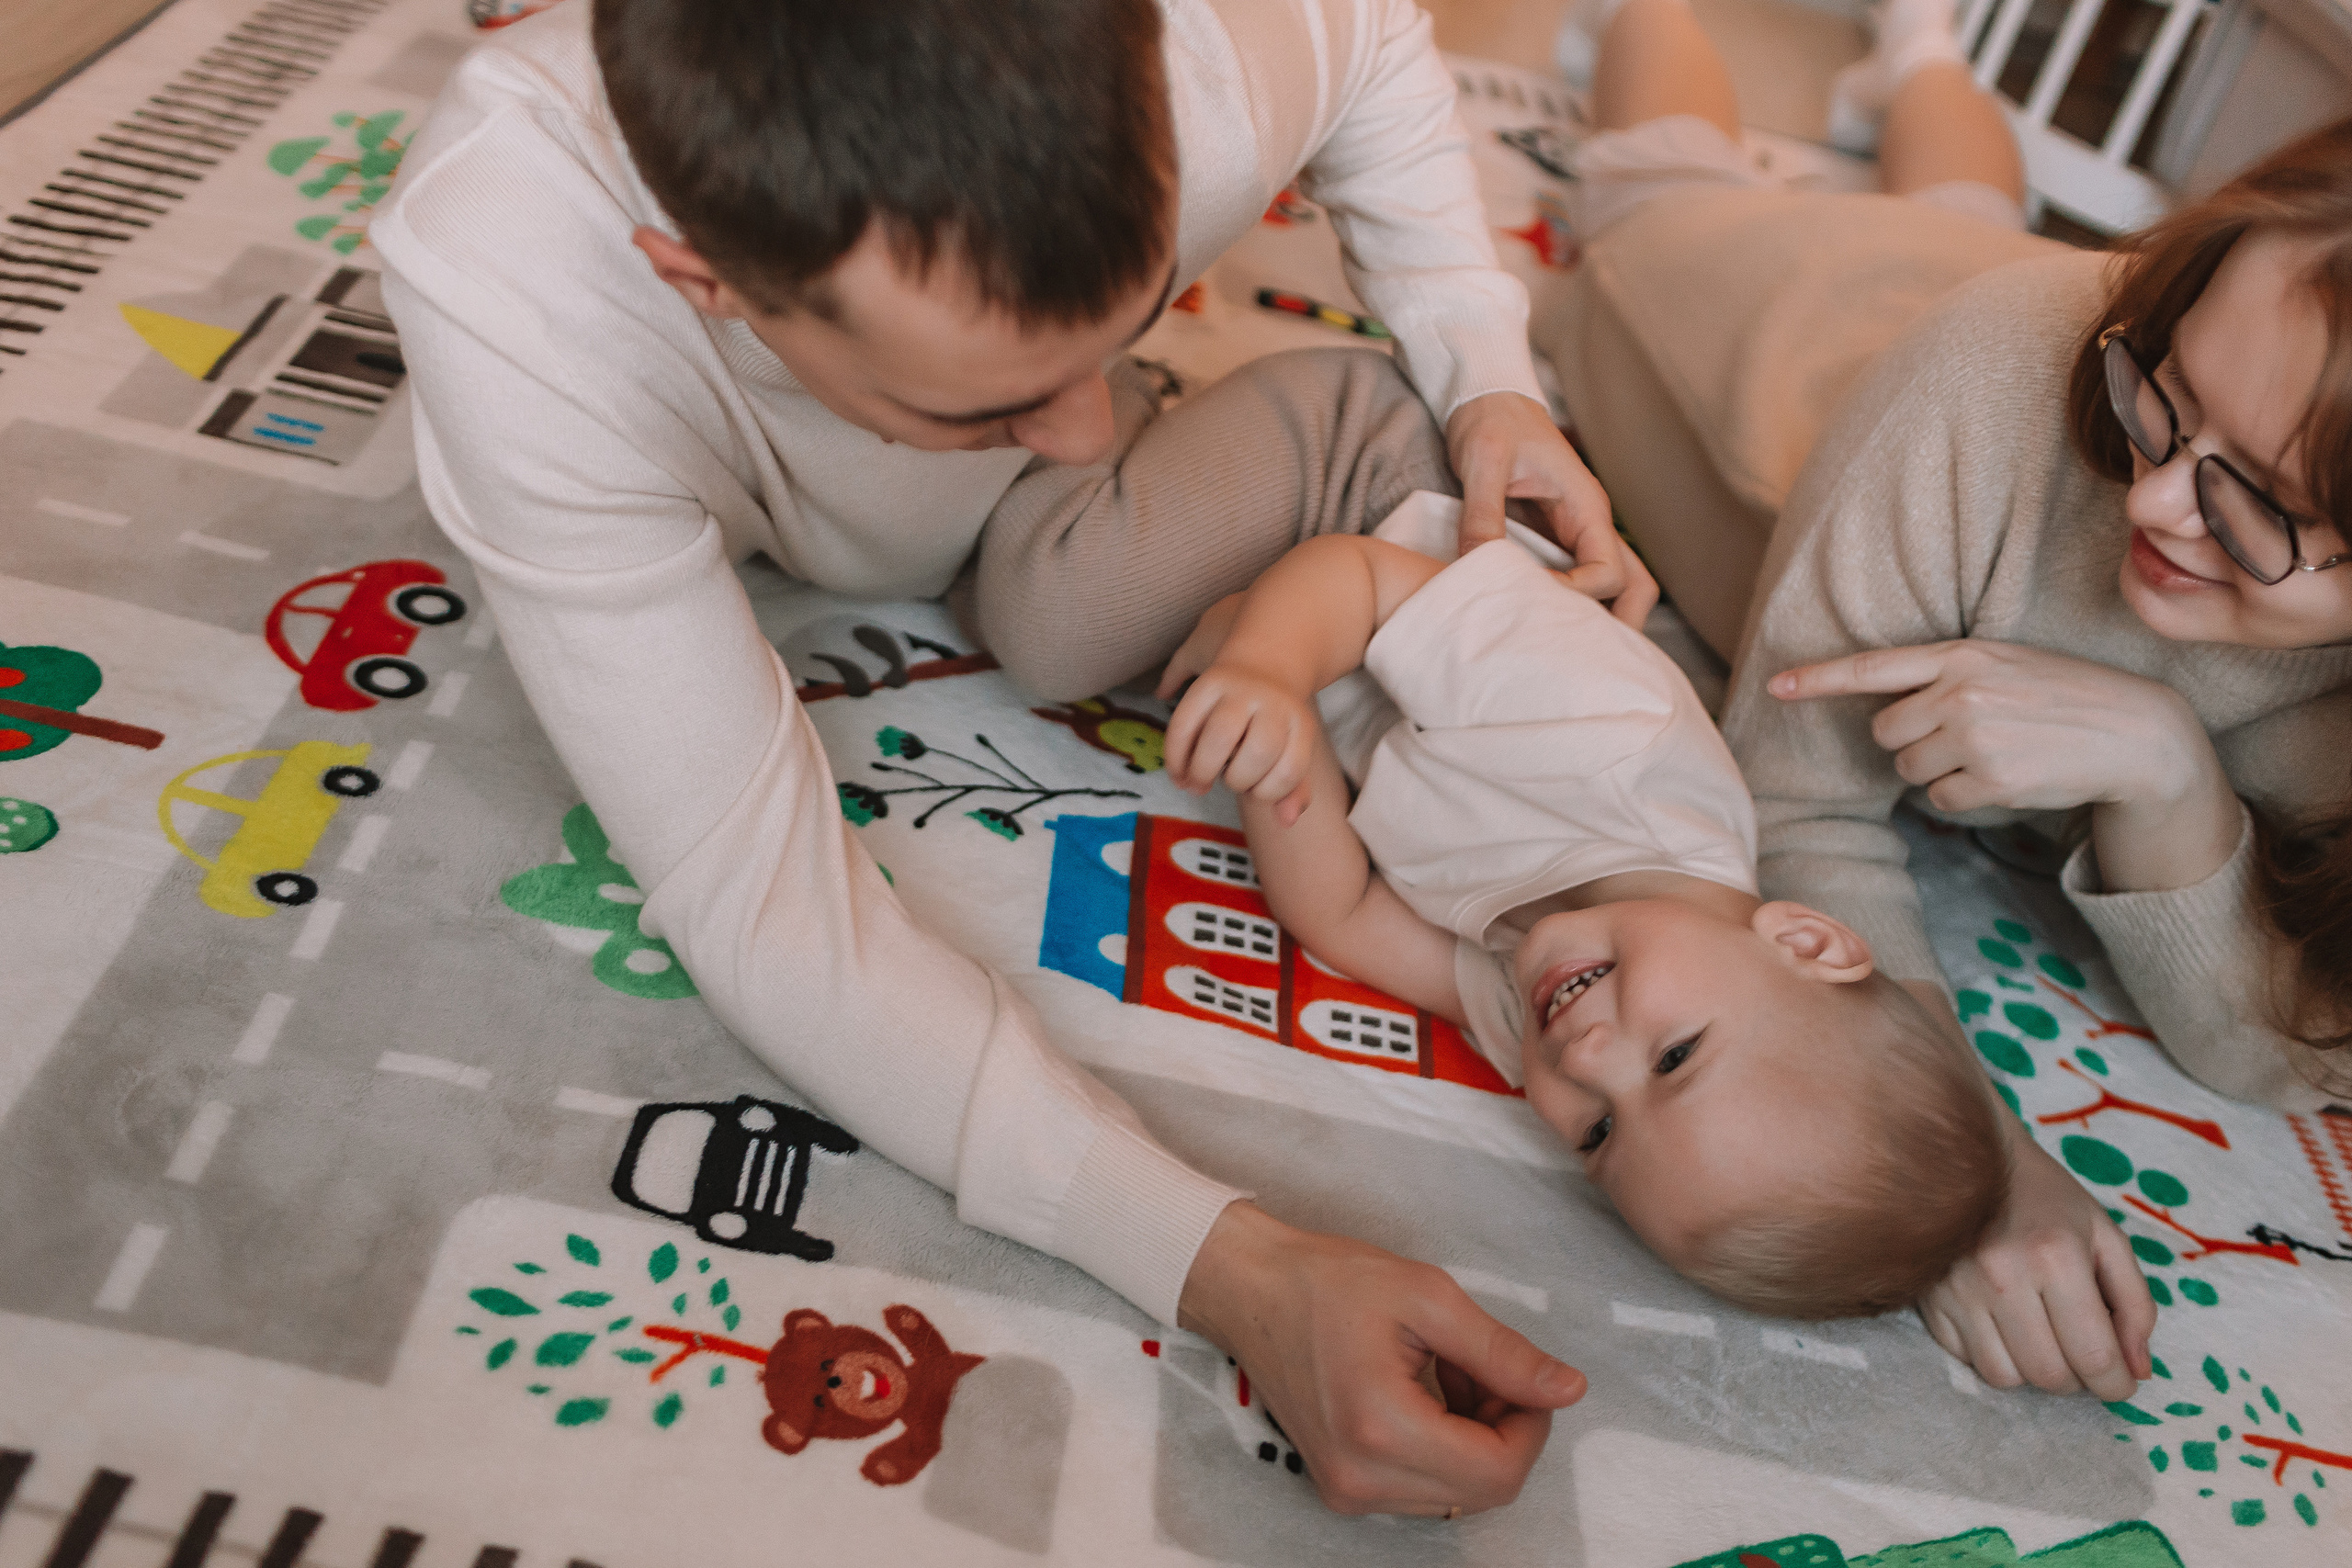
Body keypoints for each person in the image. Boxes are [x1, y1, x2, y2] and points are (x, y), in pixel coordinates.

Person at [374, 0, 1634, 1517]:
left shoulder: (1207, 61)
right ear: (702, 281)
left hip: (1026, 525)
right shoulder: (511, 284)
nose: (1083, 422)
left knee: (1062, 616)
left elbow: (1370, 47)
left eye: (1124, 321)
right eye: (984, 399)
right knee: (1048, 608)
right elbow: (762, 899)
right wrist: (1236, 1264)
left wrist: (1481, 364)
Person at [1542, 1, 2352, 1399]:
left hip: (1988, 303)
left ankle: (1918, 53)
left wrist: (2163, 763)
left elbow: (2280, 1045)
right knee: (1667, 167)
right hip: (1780, 330)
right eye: (2172, 394)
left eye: (2264, 502)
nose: (2156, 498)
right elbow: (1793, 796)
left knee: (1975, 203)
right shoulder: (2035, 362)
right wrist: (1980, 1158)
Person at [1153, 514, 2008, 1319]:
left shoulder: (1548, 1009)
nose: (1588, 1057)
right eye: (1676, 1057)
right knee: (1066, 616)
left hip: (1305, 646)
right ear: (1803, 941)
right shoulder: (1614, 735)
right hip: (1371, 503)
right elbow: (1360, 575)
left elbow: (1342, 916)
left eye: (1598, 1134)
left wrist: (1279, 751)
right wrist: (1267, 660)